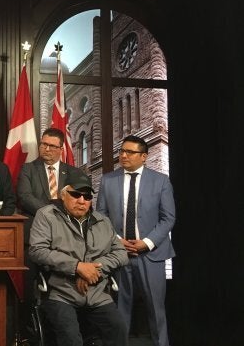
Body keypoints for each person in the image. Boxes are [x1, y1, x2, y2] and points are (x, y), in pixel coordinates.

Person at [29, 172, 129, 346]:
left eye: (87, 196)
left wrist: (92, 270)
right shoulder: (46, 216)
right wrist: (77, 267)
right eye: (76, 195)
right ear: (63, 195)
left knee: (118, 330)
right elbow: (38, 251)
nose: (81, 201)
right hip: (61, 292)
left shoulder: (102, 221)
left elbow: (121, 253)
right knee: (71, 338)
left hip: (97, 293)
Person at [96, 135, 175, 346]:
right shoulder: (108, 180)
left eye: (129, 152)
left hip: (151, 254)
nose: (123, 155)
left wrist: (146, 242)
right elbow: (100, 217)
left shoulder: (161, 181)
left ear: (144, 156)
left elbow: (168, 218)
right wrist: (117, 241)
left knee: (156, 309)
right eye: (121, 151)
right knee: (121, 309)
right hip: (119, 253)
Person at [16, 127, 85, 339]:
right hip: (33, 237)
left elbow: (78, 201)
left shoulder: (73, 173)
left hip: (65, 238)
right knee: (29, 290)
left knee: (62, 289)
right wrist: (52, 215)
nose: (46, 149)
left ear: (61, 149)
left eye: (51, 146)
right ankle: (29, 334)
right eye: (43, 144)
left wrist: (58, 220)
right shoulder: (28, 169)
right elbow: (25, 197)